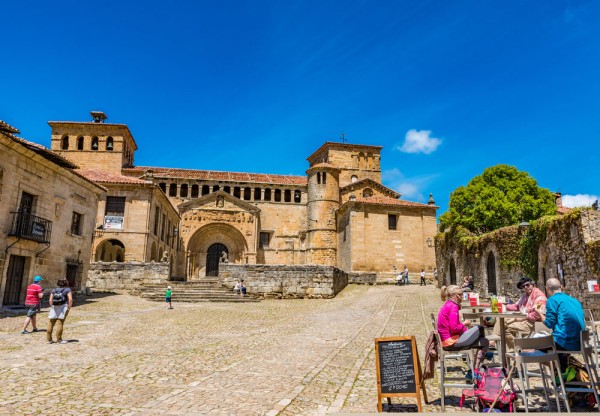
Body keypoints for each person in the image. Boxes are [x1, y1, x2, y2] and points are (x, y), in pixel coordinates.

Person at [438, 285, 489, 369]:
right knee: (480, 328)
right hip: (451, 342)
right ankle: (476, 369)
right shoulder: (453, 307)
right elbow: (454, 328)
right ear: (452, 295)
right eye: (460, 294)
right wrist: (464, 323)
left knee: (484, 341)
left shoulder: (447, 305)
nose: (462, 296)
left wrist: (465, 330)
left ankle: (475, 369)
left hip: (447, 340)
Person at [539, 278, 585, 371]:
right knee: (555, 345)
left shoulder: (552, 300)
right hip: (579, 341)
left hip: (564, 341)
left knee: (535, 347)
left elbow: (549, 323)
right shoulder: (574, 300)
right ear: (561, 287)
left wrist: (539, 313)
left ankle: (559, 371)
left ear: (547, 289)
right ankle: (563, 370)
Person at [491, 276, 546, 350]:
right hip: (524, 319)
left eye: (527, 285)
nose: (526, 287)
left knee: (505, 327)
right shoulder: (525, 296)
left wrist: (520, 318)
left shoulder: (539, 296)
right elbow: (516, 306)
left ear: (532, 284)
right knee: (501, 320)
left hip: (533, 323)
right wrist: (503, 306)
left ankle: (516, 350)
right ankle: (513, 349)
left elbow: (536, 315)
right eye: (523, 286)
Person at [47, 279, 73, 344]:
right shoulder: (67, 290)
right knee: (60, 323)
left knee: (51, 323)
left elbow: (50, 300)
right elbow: (70, 299)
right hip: (63, 307)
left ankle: (49, 339)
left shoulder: (54, 290)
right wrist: (69, 307)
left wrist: (52, 306)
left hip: (54, 308)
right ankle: (59, 340)